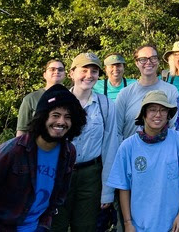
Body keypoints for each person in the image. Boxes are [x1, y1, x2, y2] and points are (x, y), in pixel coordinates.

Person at [0, 84, 87, 231]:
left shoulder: (68, 152)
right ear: (42, 117)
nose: (61, 122)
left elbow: (57, 197)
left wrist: (43, 224)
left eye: (67, 117)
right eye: (55, 115)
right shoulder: (14, 150)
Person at [51, 53, 119, 231]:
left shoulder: (105, 105)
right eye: (84, 70)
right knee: (55, 226)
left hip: (91, 176)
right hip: (59, 173)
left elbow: (110, 147)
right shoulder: (57, 103)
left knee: (86, 227)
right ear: (72, 73)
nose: (89, 75)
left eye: (94, 71)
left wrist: (107, 192)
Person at [107, 90, 179, 232]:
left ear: (168, 114)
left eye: (163, 110)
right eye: (152, 110)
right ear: (143, 114)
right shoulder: (128, 147)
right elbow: (123, 187)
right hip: (139, 224)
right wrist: (128, 223)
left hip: (171, 223)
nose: (158, 115)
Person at [115, 44, 179, 141]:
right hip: (132, 152)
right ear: (136, 63)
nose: (148, 62)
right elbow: (116, 131)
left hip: (163, 152)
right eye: (143, 59)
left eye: (153, 58)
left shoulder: (171, 91)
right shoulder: (125, 93)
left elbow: (175, 128)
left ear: (158, 61)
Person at [16, 59, 66, 137]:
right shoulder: (30, 99)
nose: (56, 72)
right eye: (52, 69)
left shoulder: (71, 97)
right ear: (44, 75)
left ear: (65, 74)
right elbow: (22, 131)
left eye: (60, 69)